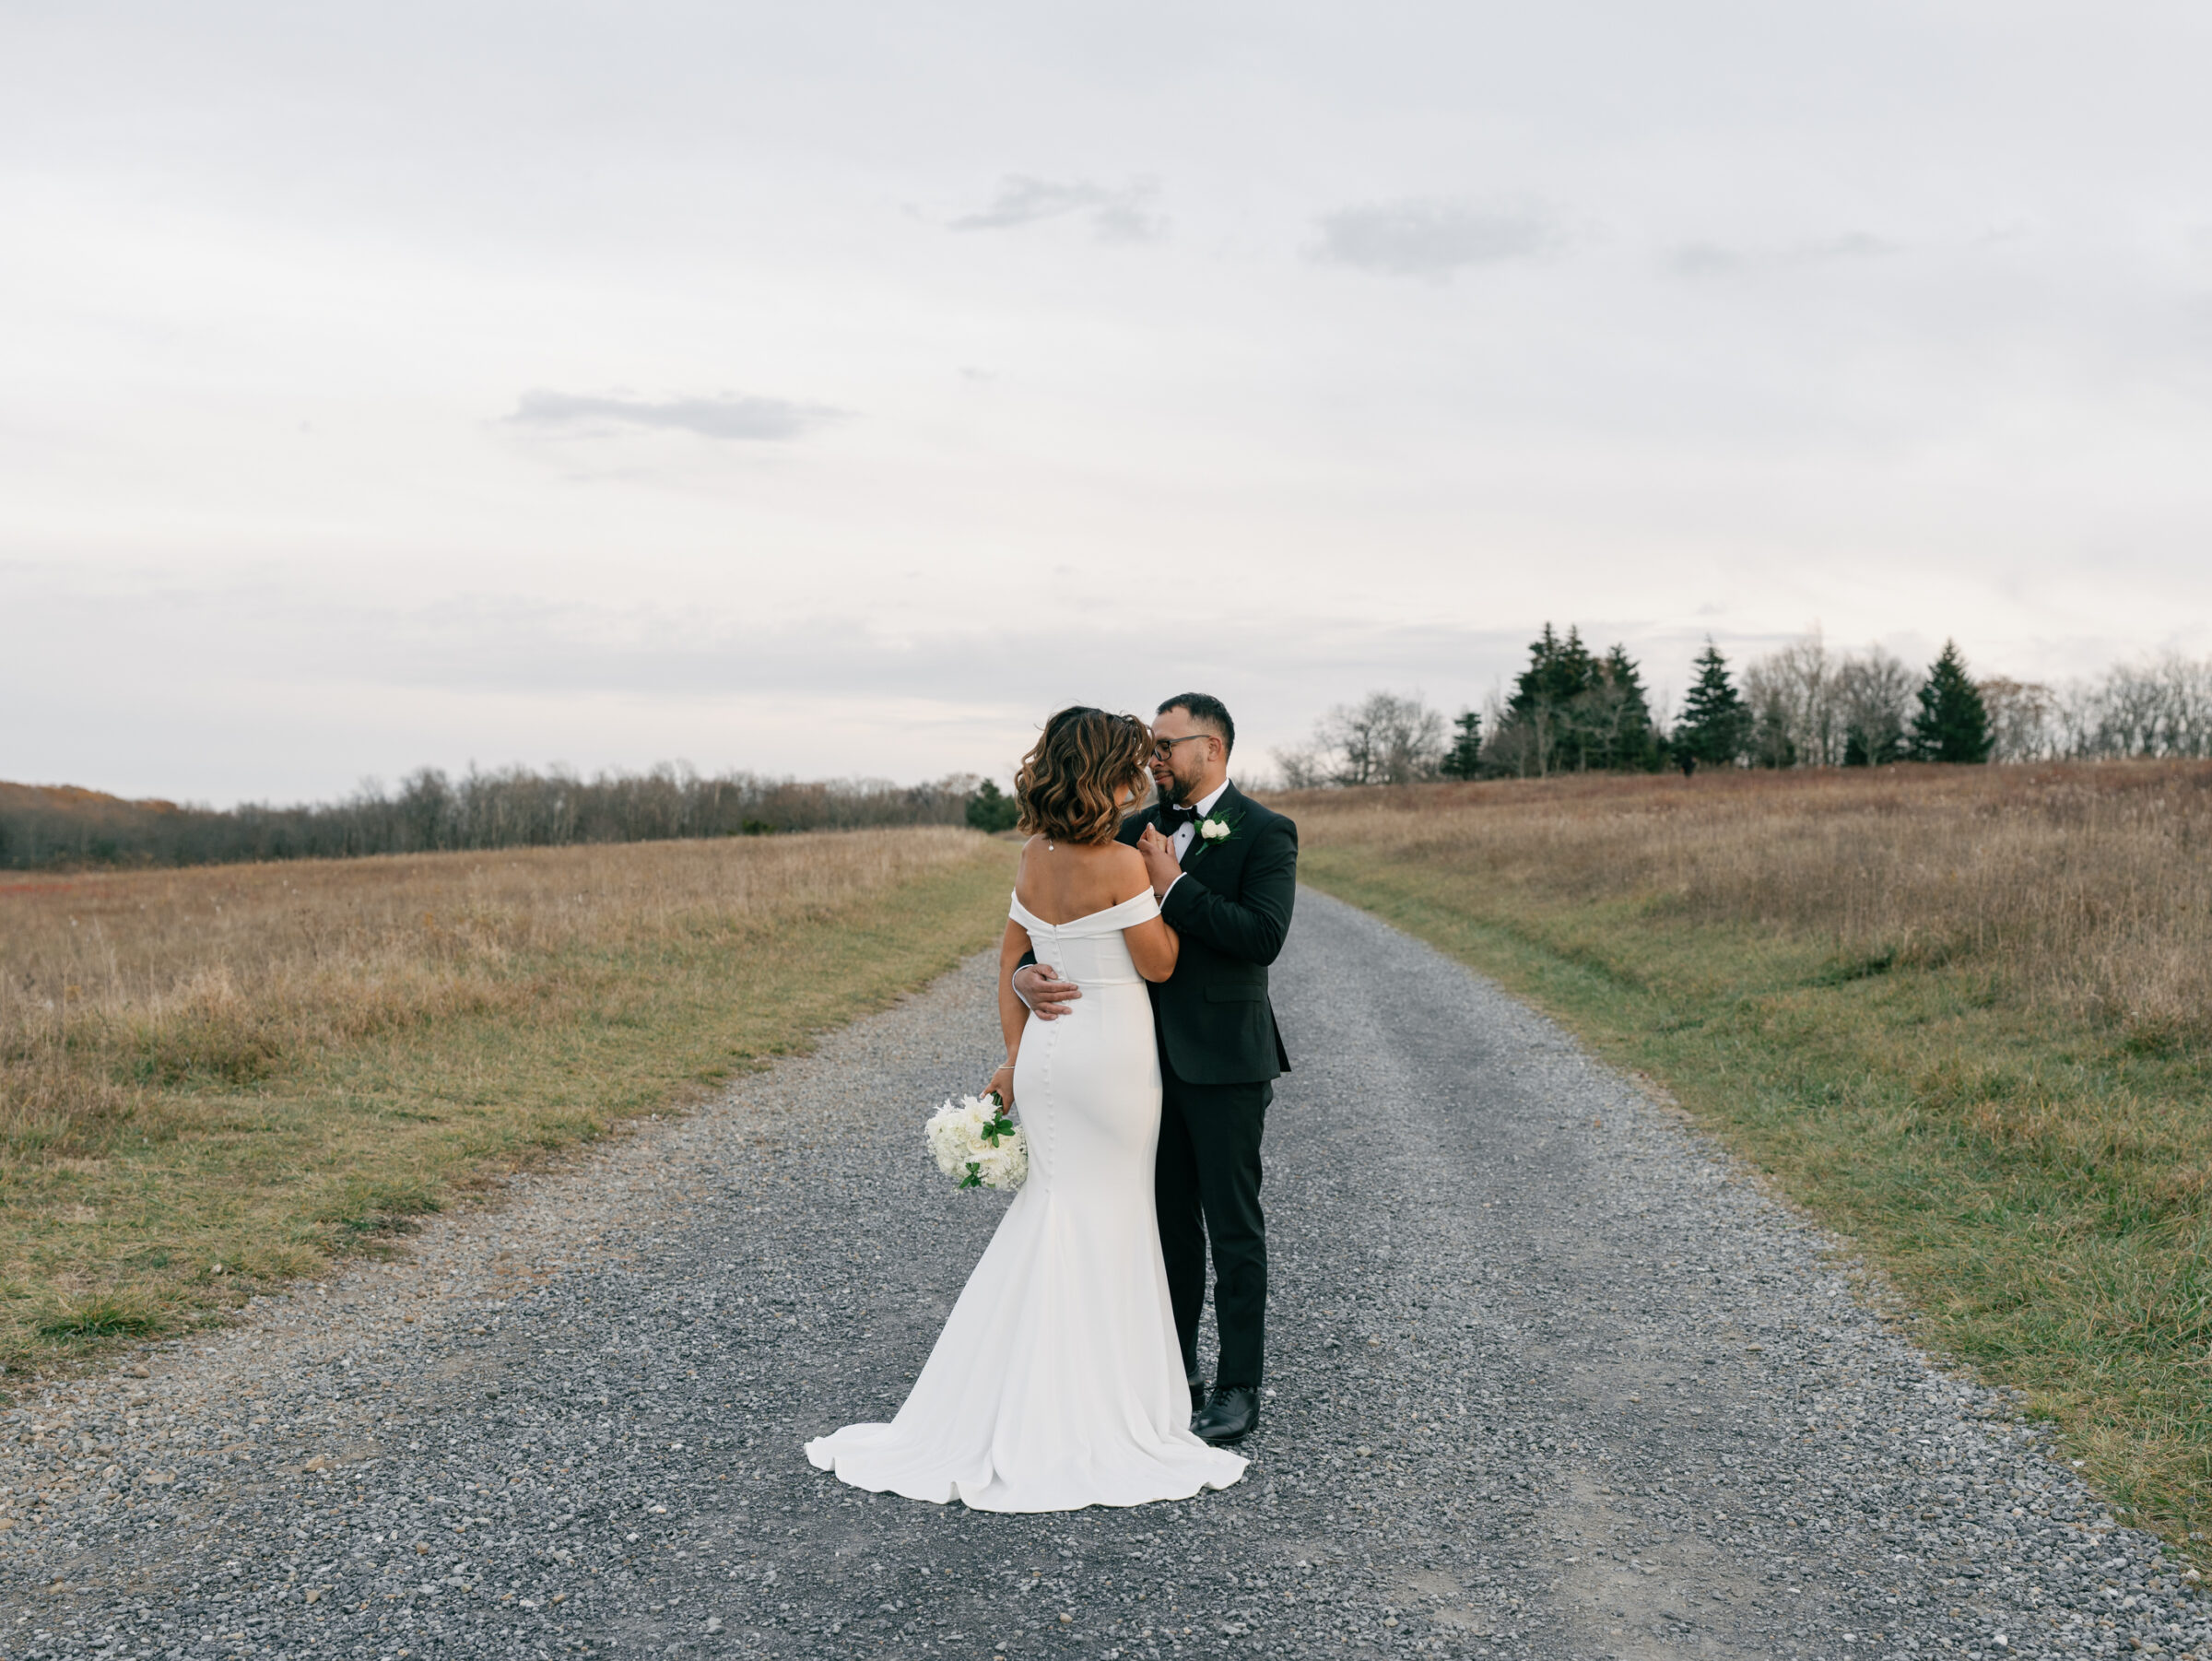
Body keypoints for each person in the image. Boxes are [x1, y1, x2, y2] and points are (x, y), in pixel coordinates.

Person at [806, 706, 1248, 1512]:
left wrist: (1013, 1057)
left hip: (1048, 1057)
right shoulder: (1118, 863)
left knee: (1057, 1209)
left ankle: (1013, 1390)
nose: (1139, 773)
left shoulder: (1032, 856)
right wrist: (1161, 882)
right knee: (1111, 1216)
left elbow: (1013, 962)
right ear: (1105, 775)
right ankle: (1096, 1403)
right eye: (1129, 763)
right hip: (1111, 1061)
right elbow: (1160, 962)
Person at [1013, 693, 1297, 1446]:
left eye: (1167, 745)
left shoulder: (1267, 833)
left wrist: (1175, 885)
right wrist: (1021, 978)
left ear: (1214, 749)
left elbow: (1261, 937)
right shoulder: (1129, 831)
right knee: (1165, 1226)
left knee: (1233, 1228)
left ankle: (1238, 1386)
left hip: (1226, 1062)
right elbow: (1056, 925)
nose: (1154, 759)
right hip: (1134, 1068)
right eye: (1151, 747)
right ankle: (1172, 1376)